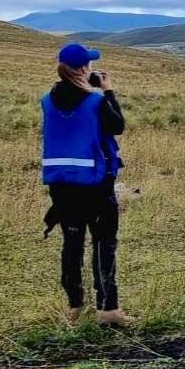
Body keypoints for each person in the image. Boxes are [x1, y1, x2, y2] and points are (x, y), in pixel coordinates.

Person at [41, 42, 134, 327]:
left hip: (61, 184)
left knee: (72, 243)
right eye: (89, 64)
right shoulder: (95, 101)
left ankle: (75, 307)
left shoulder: (47, 100)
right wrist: (108, 91)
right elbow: (118, 125)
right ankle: (108, 309)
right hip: (95, 184)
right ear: (83, 69)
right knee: (104, 244)